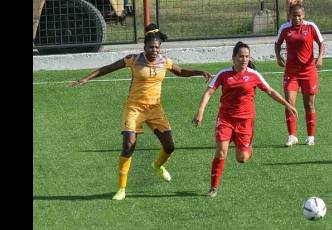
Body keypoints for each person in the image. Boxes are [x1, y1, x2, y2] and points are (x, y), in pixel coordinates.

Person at [71, 23, 212, 200]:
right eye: (151, 47)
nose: (154, 50)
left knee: (170, 146)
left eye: (157, 47)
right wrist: (86, 79)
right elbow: (108, 68)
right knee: (129, 144)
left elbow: (181, 71)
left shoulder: (164, 62)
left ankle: (158, 166)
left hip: (155, 109)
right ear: (144, 47)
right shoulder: (133, 59)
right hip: (134, 108)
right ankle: (121, 189)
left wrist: (199, 72)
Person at [192, 42, 297, 198]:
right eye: (241, 56)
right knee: (221, 152)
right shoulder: (224, 74)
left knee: (242, 158)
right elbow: (209, 93)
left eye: (247, 56)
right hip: (226, 119)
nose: (244, 59)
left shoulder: (254, 75)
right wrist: (200, 112)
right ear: (233, 58)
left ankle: (248, 149)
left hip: (245, 121)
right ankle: (213, 188)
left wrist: (287, 105)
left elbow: (270, 91)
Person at [274, 2, 325, 147]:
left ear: (303, 16)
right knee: (289, 103)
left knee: (309, 104)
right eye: (294, 16)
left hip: (309, 72)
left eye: (299, 16)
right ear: (290, 16)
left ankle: (310, 136)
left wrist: (320, 57)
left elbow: (321, 42)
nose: (297, 18)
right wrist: (278, 57)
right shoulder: (285, 28)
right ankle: (292, 136)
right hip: (291, 72)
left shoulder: (310, 27)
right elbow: (277, 43)